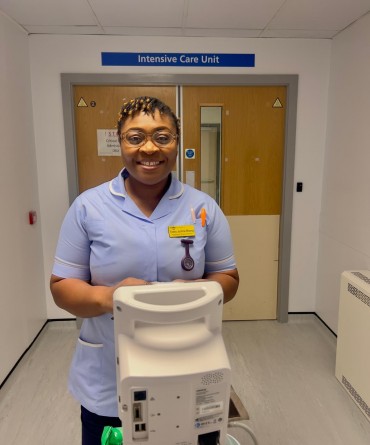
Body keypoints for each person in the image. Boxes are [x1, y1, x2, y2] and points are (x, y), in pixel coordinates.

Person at [50, 96, 239, 445]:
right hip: (110, 371)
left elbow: (228, 278)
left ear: (177, 143)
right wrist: (112, 298)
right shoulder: (88, 208)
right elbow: (62, 287)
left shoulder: (203, 208)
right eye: (135, 137)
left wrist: (192, 294)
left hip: (190, 361)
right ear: (120, 142)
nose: (149, 148)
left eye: (162, 137)